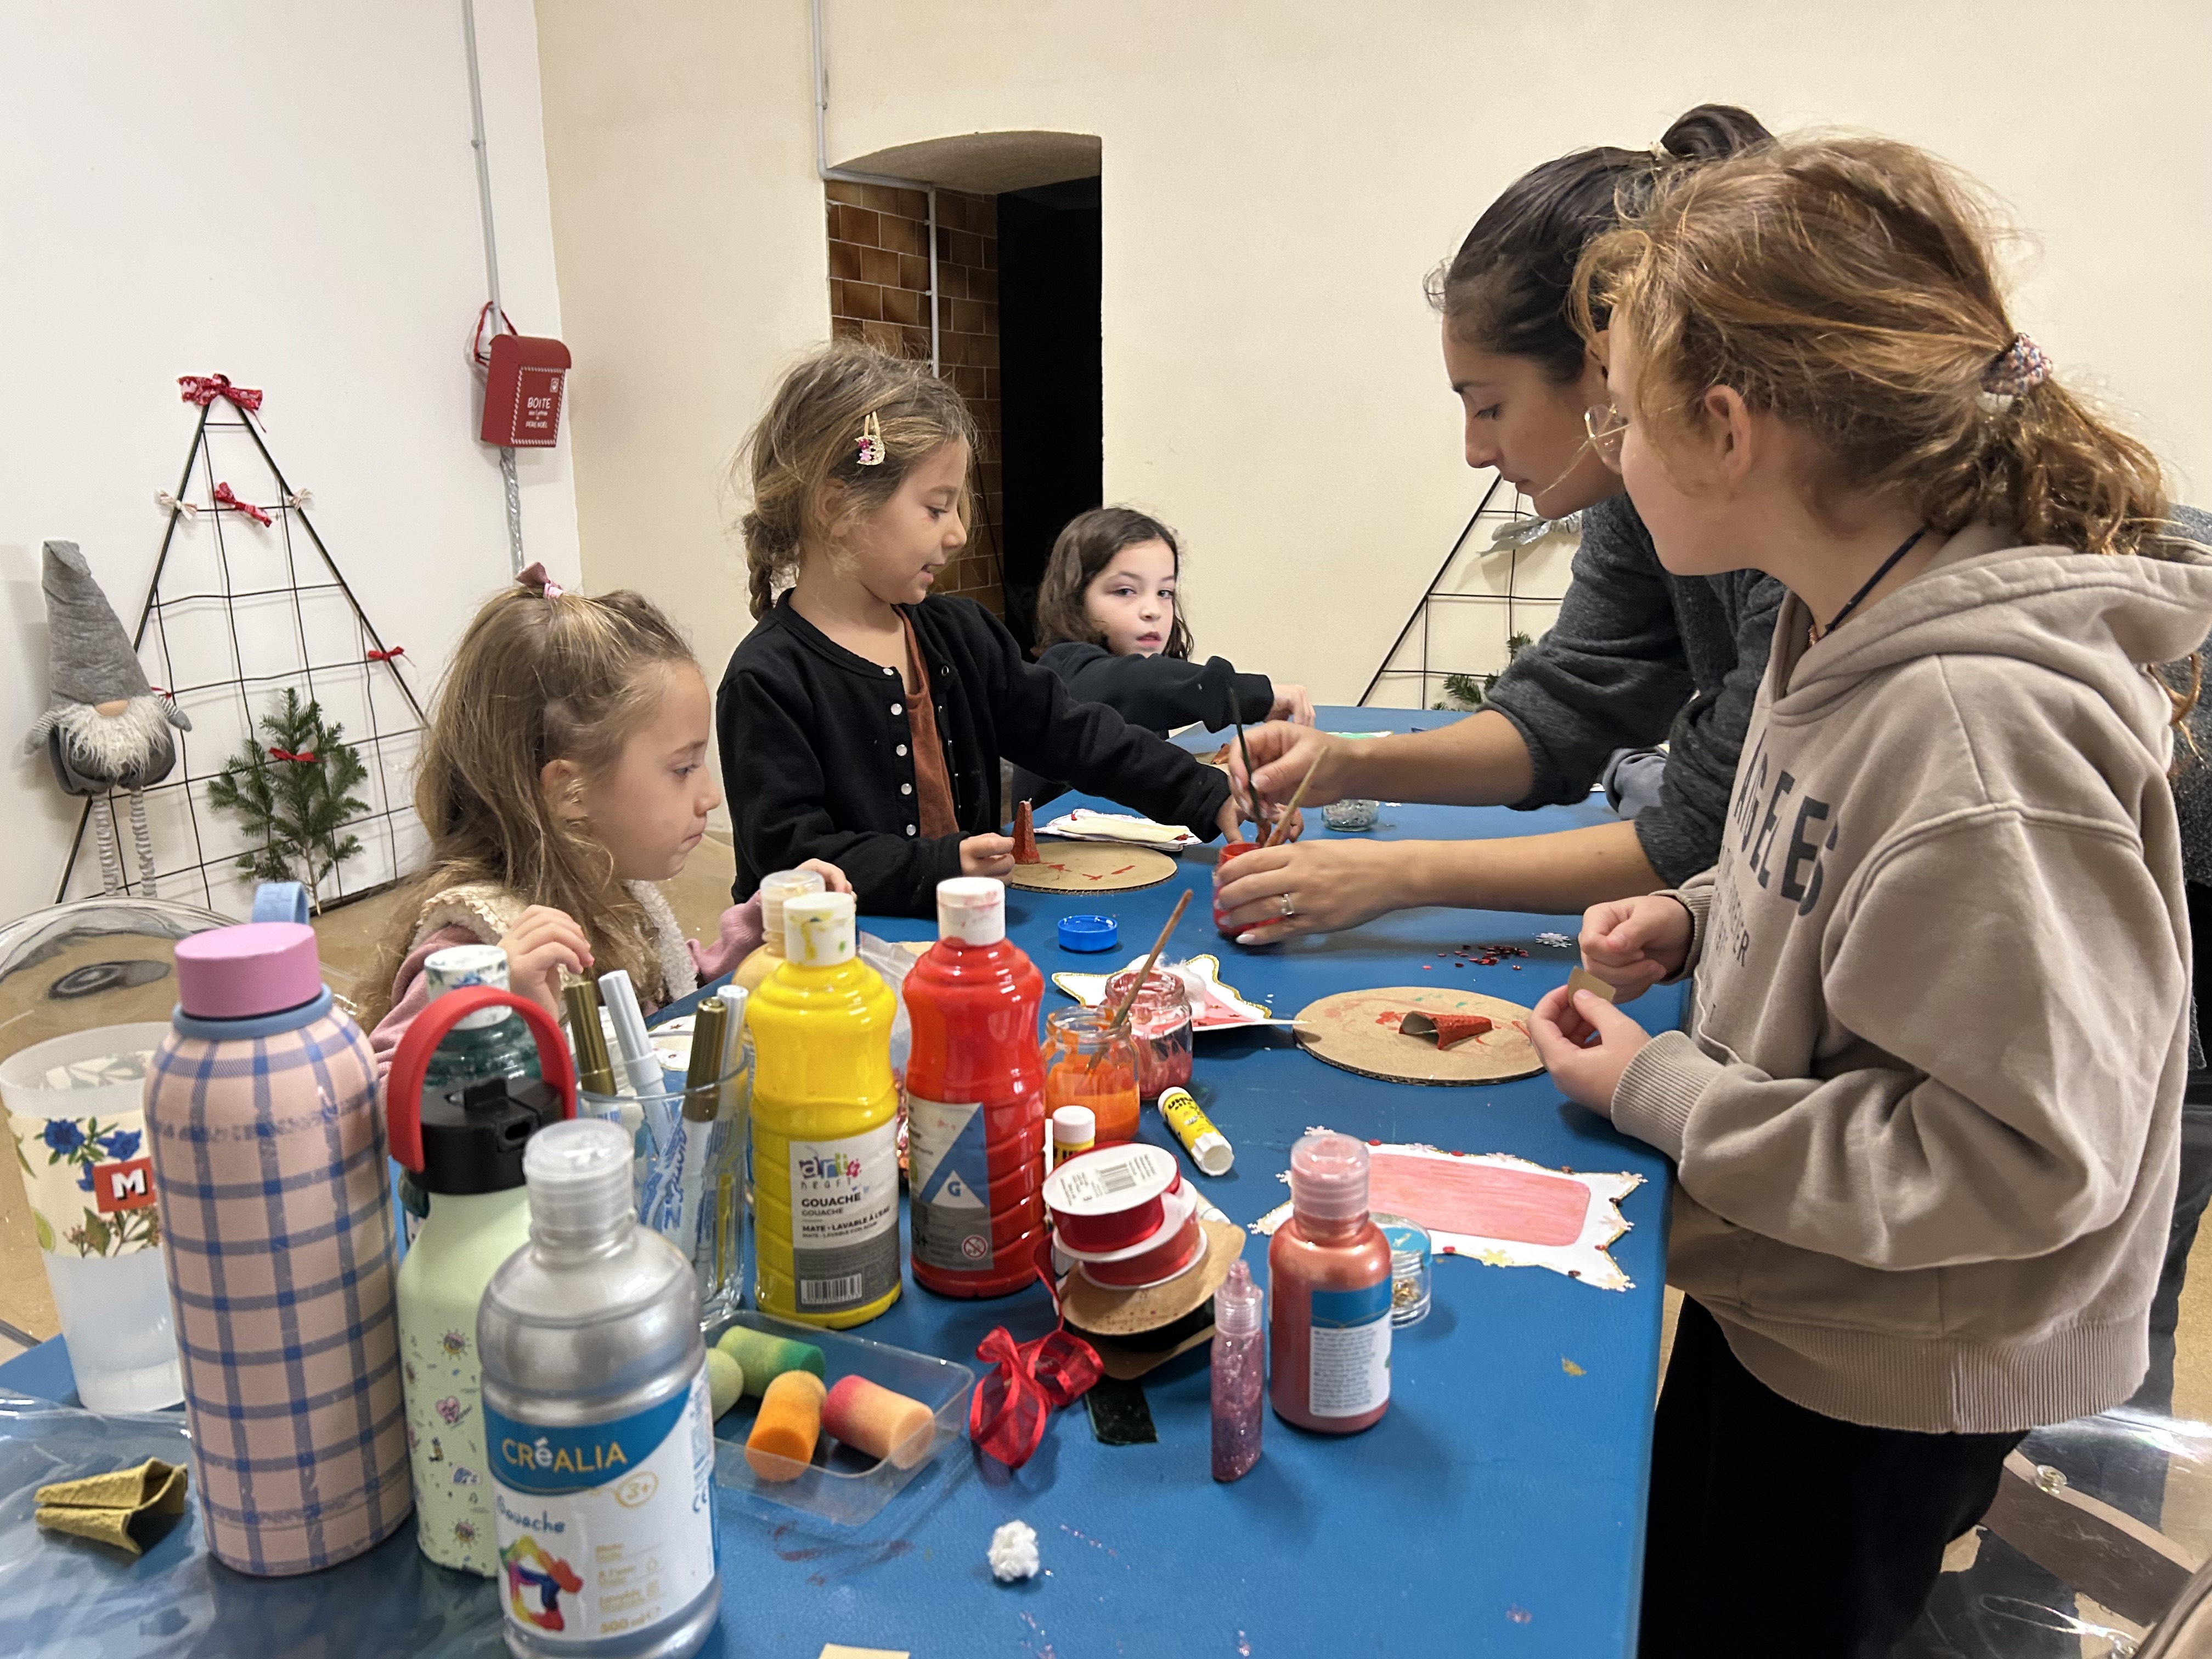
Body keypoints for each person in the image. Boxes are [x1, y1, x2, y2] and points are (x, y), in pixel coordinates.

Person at [1521, 134, 2212, 1657]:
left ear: (1726, 429)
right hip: (1800, 1286)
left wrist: (1667, 1091)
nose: (1608, 457)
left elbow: (2025, 1159)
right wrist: (1708, 911)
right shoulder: (1840, 622)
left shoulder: (1975, 727)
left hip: (1894, 1355)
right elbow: (1859, 882)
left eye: (1622, 417)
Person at [1215, 104, 1780, 944]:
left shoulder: (1799, 550)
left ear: (1604, 366)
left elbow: (1711, 824)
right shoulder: (1651, 507)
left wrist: (1397, 874)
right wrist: (1350, 761)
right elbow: (1571, 707)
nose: (1478, 451)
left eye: (1490, 407)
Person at [716, 344, 1251, 917]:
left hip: (968, 949)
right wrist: (940, 868)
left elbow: (1073, 734)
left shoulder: (959, 636)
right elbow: (790, 856)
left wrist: (1200, 790)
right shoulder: (767, 680)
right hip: (838, 978)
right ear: (837, 508)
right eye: (937, 508)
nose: (958, 535)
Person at [363, 565, 847, 1064]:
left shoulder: (610, 889)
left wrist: (761, 925)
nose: (710, 797)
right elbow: (375, 1105)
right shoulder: (475, 945)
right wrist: (492, 1009)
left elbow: (668, 1004)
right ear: (571, 790)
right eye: (683, 769)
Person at [1011, 505, 1312, 808]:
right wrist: (1252, 696)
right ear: (1076, 599)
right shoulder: (1066, 669)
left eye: (1164, 593)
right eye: (1126, 591)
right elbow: (1137, 684)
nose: (1152, 610)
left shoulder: (1138, 673)